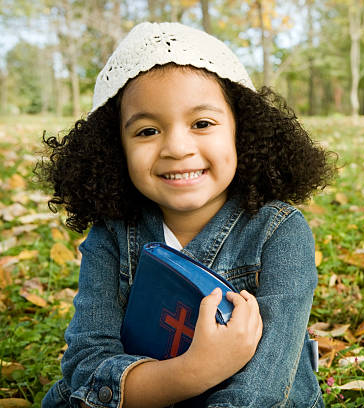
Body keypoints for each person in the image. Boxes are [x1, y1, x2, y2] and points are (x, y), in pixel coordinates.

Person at [39, 21, 334, 408]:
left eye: (202, 124)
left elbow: (265, 386)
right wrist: (196, 370)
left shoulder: (280, 232)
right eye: (147, 131)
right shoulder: (111, 235)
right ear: (114, 150)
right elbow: (87, 365)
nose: (177, 147)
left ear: (242, 132)